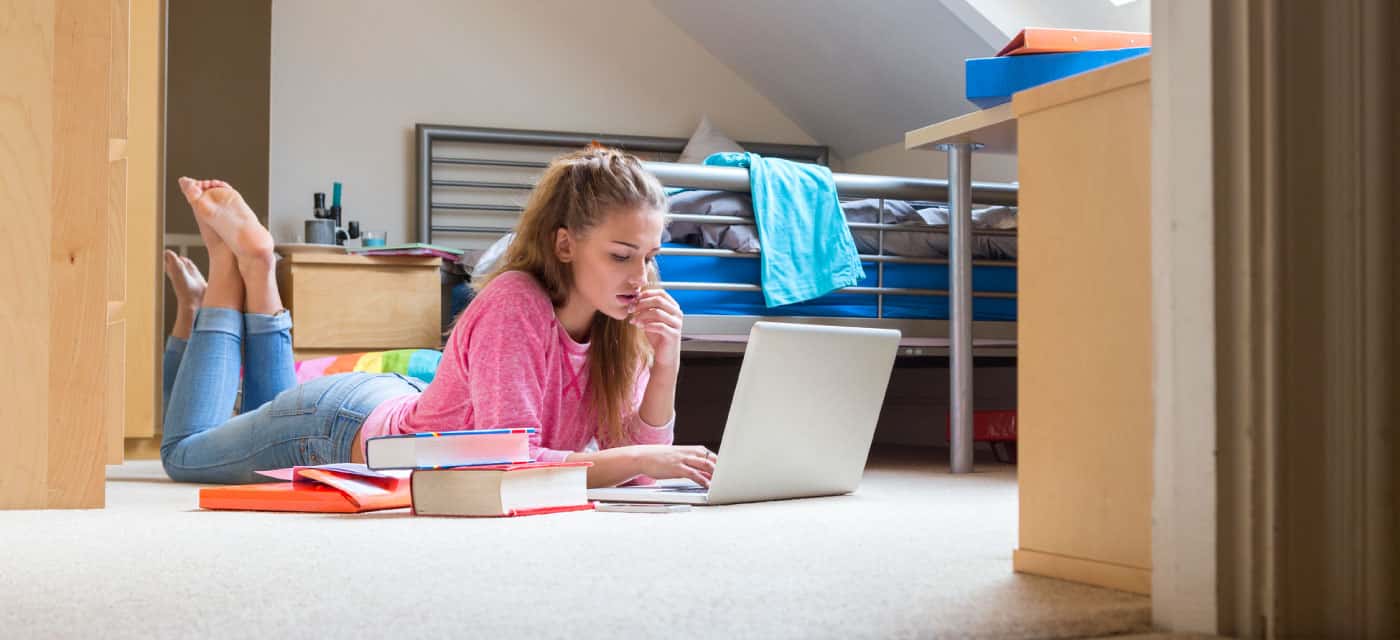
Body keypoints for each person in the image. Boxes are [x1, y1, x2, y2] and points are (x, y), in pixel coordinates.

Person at [160, 147, 716, 488]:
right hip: (340, 430)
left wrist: (664, 363)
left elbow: (640, 472)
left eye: (649, 256)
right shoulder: (516, 303)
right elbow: (510, 462)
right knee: (184, 453)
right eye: (621, 255)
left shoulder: (620, 323)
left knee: (255, 416)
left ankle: (253, 276)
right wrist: (641, 456)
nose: (640, 276)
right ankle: (233, 266)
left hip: (395, 407)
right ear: (565, 245)